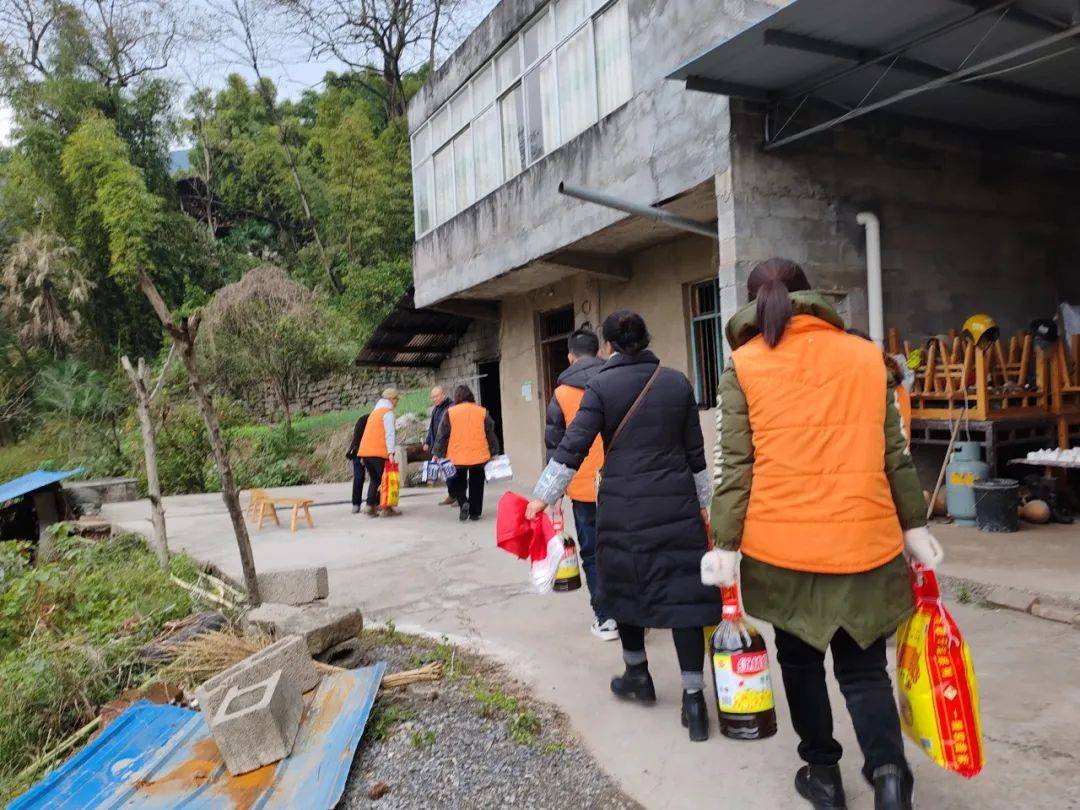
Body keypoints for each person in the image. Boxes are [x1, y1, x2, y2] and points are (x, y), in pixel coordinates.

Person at [701, 258, 944, 809]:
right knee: (863, 669)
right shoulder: (866, 357)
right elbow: (897, 459)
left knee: (801, 662)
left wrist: (725, 548)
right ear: (812, 297)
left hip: (784, 551)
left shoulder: (744, 365)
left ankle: (824, 778)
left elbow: (734, 468)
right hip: (868, 544)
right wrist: (915, 530)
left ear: (751, 301)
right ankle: (889, 778)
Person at [526, 310, 719, 742]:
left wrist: (543, 495)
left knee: (627, 586)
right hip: (677, 507)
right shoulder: (676, 382)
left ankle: (638, 676)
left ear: (609, 345)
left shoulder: (601, 386)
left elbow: (573, 445)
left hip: (624, 508)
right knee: (685, 595)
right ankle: (693, 699)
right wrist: (707, 504)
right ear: (645, 339)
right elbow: (696, 452)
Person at [543, 327, 617, 642]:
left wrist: (554, 492)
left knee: (592, 552)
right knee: (625, 547)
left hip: (584, 487)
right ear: (599, 351)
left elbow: (555, 446)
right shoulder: (616, 380)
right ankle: (635, 614)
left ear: (571, 356)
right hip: (620, 482)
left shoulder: (561, 393)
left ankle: (607, 619)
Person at [433, 385, 500, 521]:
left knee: (458, 482)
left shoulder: (450, 412)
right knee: (477, 483)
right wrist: (494, 452)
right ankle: (475, 513)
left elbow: (442, 435)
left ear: (457, 397)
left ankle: (464, 502)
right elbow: (490, 433)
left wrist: (437, 453)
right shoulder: (482, 411)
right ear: (471, 396)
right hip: (479, 455)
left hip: (457, 456)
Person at [356, 387, 401, 517]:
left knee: (375, 479)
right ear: (392, 399)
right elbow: (390, 434)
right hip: (379, 452)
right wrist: (391, 453)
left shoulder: (374, 413)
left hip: (366, 452)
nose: (397, 403)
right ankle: (386, 508)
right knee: (385, 480)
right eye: (396, 400)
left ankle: (370, 506)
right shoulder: (387, 412)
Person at [424, 385, 455, 505]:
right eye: (432, 397)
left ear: (443, 394)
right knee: (447, 473)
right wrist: (427, 442)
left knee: (453, 472)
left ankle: (458, 496)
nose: (434, 399)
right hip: (439, 446)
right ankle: (452, 495)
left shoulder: (451, 407)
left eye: (436, 396)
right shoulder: (435, 409)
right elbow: (432, 428)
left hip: (449, 445)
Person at [345, 412, 370, 514]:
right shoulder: (364, 420)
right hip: (358, 451)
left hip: (370, 451)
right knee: (359, 477)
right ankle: (356, 503)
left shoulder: (374, 419)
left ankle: (373, 502)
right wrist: (362, 456)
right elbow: (358, 440)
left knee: (375, 477)